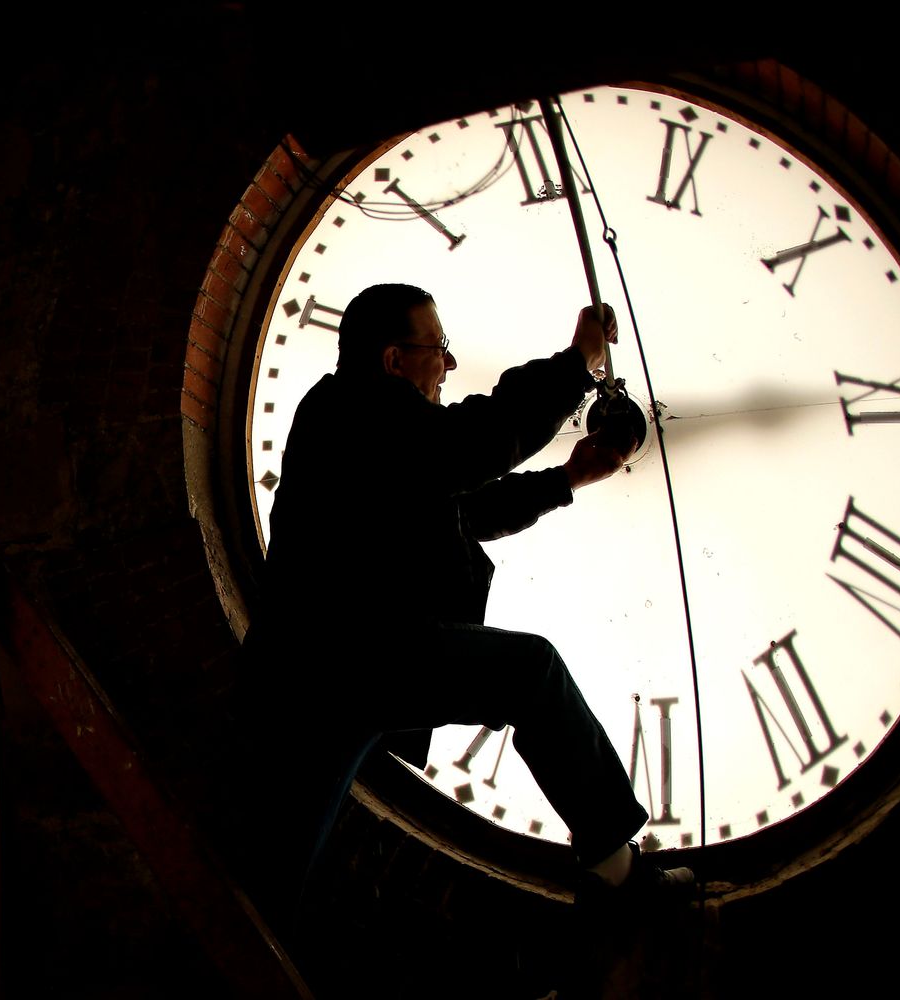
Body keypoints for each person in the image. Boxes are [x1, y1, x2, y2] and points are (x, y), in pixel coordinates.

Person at [234, 282, 695, 916]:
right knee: (531, 673)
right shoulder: (353, 407)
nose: (448, 365)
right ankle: (622, 879)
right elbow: (475, 441)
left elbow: (462, 507)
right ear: (393, 361)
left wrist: (566, 479)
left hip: (324, 673)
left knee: (262, 881)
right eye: (439, 349)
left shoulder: (369, 437)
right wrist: (577, 363)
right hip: (349, 658)